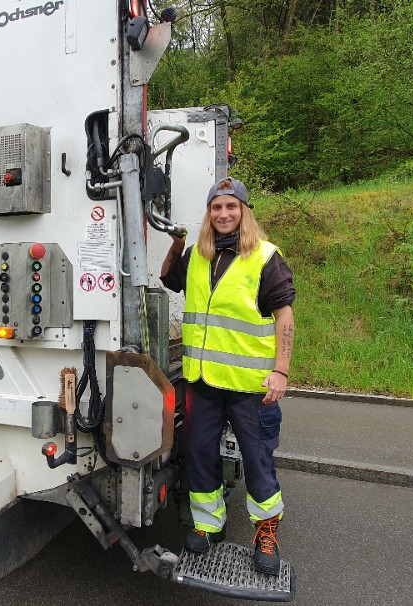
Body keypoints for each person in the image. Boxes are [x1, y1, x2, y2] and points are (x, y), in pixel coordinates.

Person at [160, 177, 295, 576]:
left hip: (250, 387)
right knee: (200, 454)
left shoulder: (265, 257)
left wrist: (281, 371)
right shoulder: (199, 257)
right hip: (202, 382)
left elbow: (284, 315)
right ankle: (208, 524)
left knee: (257, 459)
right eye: (216, 208)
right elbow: (169, 279)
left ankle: (266, 532)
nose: (223, 214)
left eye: (231, 207)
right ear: (209, 214)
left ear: (244, 212)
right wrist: (174, 246)